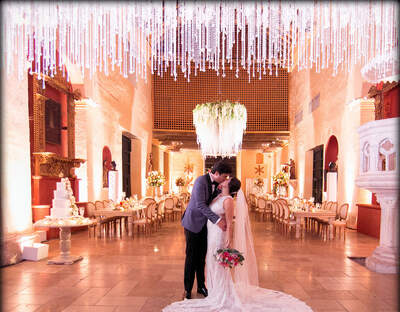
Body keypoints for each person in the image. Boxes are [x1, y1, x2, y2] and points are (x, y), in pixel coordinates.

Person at [163, 177, 313, 312]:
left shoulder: (228, 200)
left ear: (230, 185)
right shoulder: (218, 195)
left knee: (217, 264)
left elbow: (229, 223)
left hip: (218, 236)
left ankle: (220, 294)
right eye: (224, 178)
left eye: (227, 180)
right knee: (209, 262)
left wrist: (228, 239)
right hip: (210, 234)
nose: (224, 180)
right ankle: (213, 290)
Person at [180, 160, 232, 300]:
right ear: (215, 173)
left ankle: (201, 286)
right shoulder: (200, 181)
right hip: (193, 223)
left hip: (205, 226)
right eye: (224, 176)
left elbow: (212, 202)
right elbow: (201, 205)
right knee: (191, 257)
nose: (225, 180)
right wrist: (218, 220)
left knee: (201, 257)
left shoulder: (217, 185)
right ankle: (187, 289)